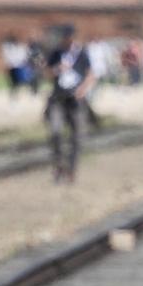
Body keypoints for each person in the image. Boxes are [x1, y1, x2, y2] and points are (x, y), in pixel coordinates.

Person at [44, 30, 95, 182]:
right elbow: (46, 73)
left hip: (76, 99)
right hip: (58, 98)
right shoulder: (56, 53)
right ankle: (59, 165)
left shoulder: (81, 53)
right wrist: (57, 69)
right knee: (55, 131)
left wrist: (83, 89)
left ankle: (72, 169)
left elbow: (90, 74)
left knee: (77, 136)